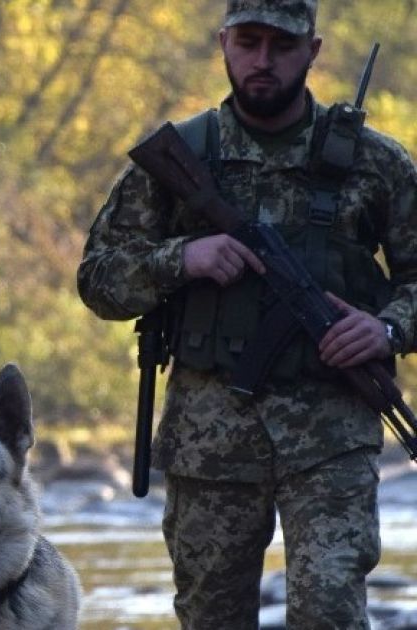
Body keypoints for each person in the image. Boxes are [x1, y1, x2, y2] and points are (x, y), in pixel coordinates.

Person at [77, 0, 417, 627]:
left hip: (332, 435)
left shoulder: (376, 163)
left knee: (330, 613)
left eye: (282, 46)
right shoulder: (180, 157)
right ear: (224, 43)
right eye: (248, 41)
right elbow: (98, 280)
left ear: (313, 51)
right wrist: (183, 258)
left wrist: (388, 327)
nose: (262, 61)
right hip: (209, 440)